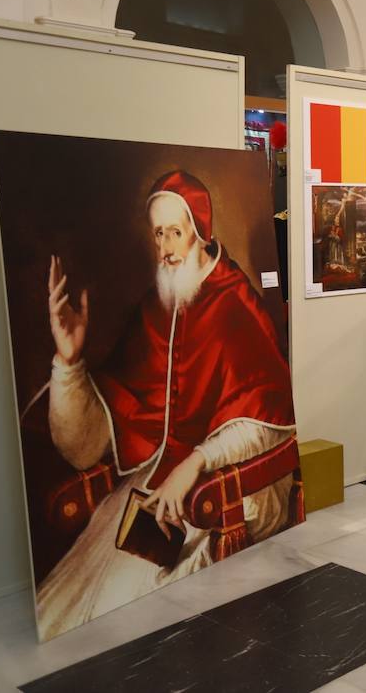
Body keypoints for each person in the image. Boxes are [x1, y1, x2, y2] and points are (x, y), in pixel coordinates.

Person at [36, 171, 297, 637]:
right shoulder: (156, 308)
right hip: (150, 481)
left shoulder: (237, 305)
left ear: (199, 231)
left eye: (174, 232)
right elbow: (95, 438)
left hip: (219, 486)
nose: (165, 248)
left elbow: (267, 420)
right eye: (158, 234)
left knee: (140, 615)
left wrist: (196, 462)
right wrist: (69, 362)